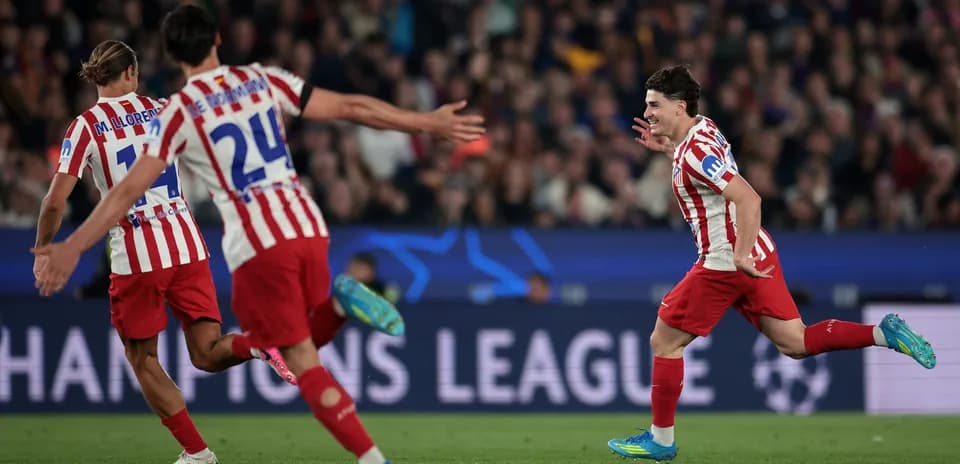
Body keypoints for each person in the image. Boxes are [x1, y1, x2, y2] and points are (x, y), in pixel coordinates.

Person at [34, 5, 484, 464]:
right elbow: (351, 106)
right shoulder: (254, 81)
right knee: (223, 352)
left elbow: (120, 191)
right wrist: (428, 122)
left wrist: (67, 246)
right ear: (217, 41)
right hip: (295, 225)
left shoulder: (172, 113)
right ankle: (302, 331)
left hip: (222, 246)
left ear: (171, 55)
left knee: (157, 358)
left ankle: (204, 450)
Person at [605, 65, 936, 461]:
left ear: (679, 107)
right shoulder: (703, 130)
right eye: (647, 105)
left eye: (655, 105)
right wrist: (668, 149)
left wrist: (739, 254)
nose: (650, 113)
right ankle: (883, 333)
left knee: (664, 341)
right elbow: (707, 170)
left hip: (726, 261)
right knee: (796, 343)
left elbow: (750, 199)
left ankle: (660, 441)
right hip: (759, 253)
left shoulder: (694, 152)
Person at [33, 40, 296, 464]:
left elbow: (54, 201)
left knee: (142, 358)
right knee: (208, 352)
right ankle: (259, 343)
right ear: (131, 74)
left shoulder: (85, 126)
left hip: (137, 256)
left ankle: (197, 453)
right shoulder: (163, 109)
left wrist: (45, 248)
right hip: (187, 245)